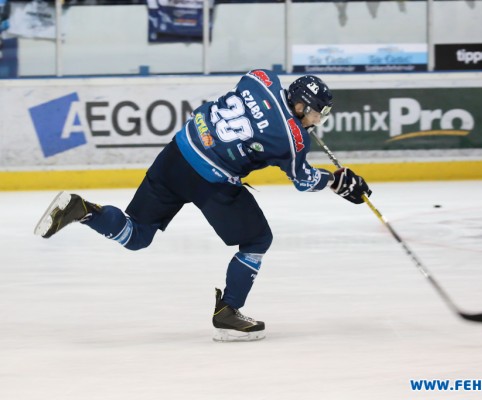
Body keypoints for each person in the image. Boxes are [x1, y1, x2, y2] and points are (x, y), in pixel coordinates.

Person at [34, 70, 372, 342]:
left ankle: (85, 211)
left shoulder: (261, 78)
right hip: (211, 180)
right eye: (314, 112)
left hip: (178, 152)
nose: (316, 120)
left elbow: (255, 106)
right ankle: (228, 311)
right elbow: (303, 179)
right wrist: (338, 182)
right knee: (257, 241)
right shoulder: (292, 139)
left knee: (136, 235)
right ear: (299, 105)